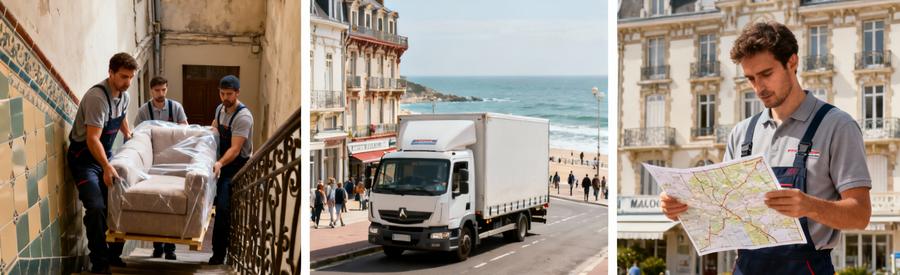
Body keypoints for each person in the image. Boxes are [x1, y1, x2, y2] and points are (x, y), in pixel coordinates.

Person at [660, 21, 871, 274]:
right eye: (750, 78)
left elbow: (860, 215)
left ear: (792, 62)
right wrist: (681, 207)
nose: (758, 88)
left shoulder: (837, 126)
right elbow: (721, 213)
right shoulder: (741, 134)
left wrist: (809, 206)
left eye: (766, 74)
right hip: (746, 266)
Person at [67, 53, 135, 274]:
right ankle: (99, 263)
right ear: (111, 73)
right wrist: (106, 167)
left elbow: (121, 114)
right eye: (124, 76)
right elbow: (92, 138)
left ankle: (115, 255)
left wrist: (128, 133)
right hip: (84, 159)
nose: (128, 82)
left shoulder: (124, 96)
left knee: (119, 201)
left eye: (131, 77)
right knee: (96, 208)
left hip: (105, 156)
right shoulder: (97, 97)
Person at [133, 75, 185, 260]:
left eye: (163, 90)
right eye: (157, 90)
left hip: (172, 160)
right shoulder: (143, 111)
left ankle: (170, 248)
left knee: (171, 201)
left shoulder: (175, 107)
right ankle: (157, 246)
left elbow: (184, 130)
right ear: (151, 91)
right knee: (157, 201)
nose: (161, 93)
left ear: (167, 88)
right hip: (153, 161)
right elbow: (138, 135)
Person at [208, 75, 254, 265]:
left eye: (229, 94)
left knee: (224, 209)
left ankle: (219, 254)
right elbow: (215, 125)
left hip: (235, 167)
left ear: (237, 93)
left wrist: (219, 164)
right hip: (220, 162)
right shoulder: (221, 109)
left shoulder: (243, 116)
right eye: (222, 93)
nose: (225, 97)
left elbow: (235, 150)